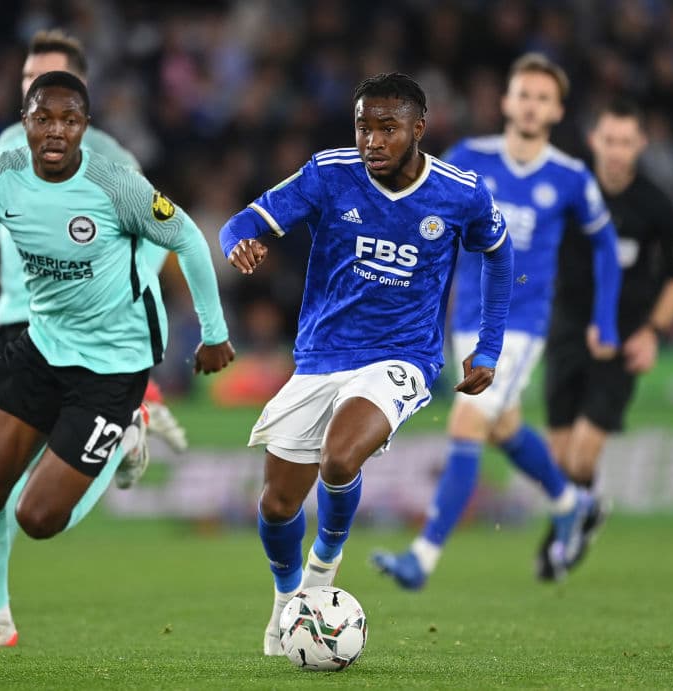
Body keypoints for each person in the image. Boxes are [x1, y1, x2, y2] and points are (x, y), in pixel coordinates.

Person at [0, 71, 234, 648]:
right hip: (43, 346)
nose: (56, 130)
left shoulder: (117, 186)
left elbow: (186, 236)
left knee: (38, 519)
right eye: (44, 118)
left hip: (114, 364)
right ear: (26, 122)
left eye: (69, 119)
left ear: (85, 126)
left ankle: (127, 429)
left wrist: (213, 332)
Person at [218, 72, 513, 656]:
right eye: (363, 127)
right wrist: (238, 243)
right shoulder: (329, 174)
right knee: (277, 505)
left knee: (340, 454)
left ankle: (323, 567)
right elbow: (242, 221)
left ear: (418, 129)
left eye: (386, 128)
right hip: (320, 358)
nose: (371, 141)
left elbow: (500, 255)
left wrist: (490, 345)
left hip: (403, 357)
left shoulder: (461, 193)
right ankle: (287, 600)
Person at [372, 53, 622, 589]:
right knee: (503, 426)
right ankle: (571, 503)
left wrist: (604, 319)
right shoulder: (468, 158)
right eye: (523, 94)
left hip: (520, 325)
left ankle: (423, 557)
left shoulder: (571, 177)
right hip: (465, 319)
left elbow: (605, 244)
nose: (531, 105)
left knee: (468, 421)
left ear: (556, 110)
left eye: (543, 97)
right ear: (507, 102)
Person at [537, 98, 673, 579]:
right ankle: (582, 511)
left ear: (640, 144)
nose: (618, 151)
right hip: (566, 328)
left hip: (622, 336)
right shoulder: (567, 188)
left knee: (584, 451)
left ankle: (561, 538)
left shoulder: (655, 205)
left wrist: (652, 333)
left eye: (628, 142)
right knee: (561, 456)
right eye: (611, 140)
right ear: (595, 141)